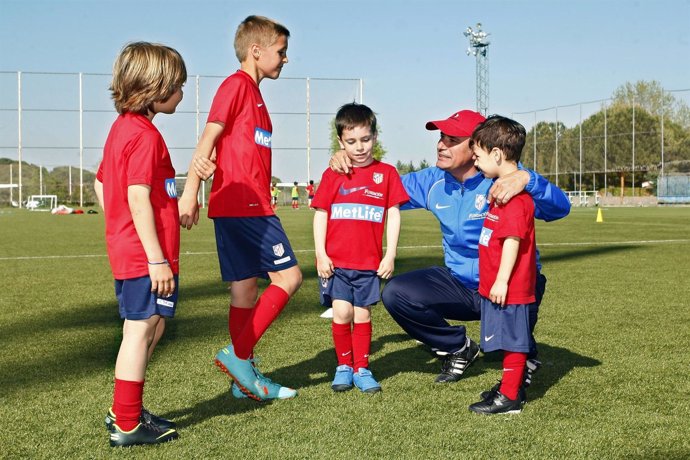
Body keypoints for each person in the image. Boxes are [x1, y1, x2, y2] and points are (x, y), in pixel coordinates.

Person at [330, 109, 570, 386]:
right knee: (397, 293)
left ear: (477, 145)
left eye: (452, 139)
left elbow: (560, 208)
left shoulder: (508, 178)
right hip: (460, 284)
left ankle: (523, 351)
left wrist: (530, 180)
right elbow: (376, 189)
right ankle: (459, 347)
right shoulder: (431, 181)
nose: (441, 144)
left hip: (509, 286)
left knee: (516, 349)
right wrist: (348, 163)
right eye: (442, 137)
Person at [178, 15, 300, 401]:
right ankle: (239, 356)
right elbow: (208, 138)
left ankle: (241, 380)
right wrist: (190, 191)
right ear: (256, 51)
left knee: (245, 290)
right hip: (246, 204)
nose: (285, 59)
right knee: (290, 278)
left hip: (239, 205)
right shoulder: (235, 86)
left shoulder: (257, 96)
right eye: (281, 52)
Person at [94, 42, 184, 447]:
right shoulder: (144, 135)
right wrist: (155, 258)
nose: (182, 92)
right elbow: (135, 196)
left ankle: (127, 406)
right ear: (156, 88)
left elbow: (101, 183)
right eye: (178, 85)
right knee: (140, 327)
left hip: (134, 249)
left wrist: (118, 227)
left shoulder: (123, 129)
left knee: (154, 324)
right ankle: (127, 422)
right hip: (146, 257)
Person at [312, 103, 409, 394]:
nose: (359, 147)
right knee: (342, 313)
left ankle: (362, 368)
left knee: (363, 315)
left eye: (365, 139)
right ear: (341, 142)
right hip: (337, 264)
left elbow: (393, 214)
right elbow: (321, 214)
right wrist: (321, 253)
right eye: (351, 141)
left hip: (368, 263)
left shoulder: (387, 174)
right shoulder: (333, 174)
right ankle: (343, 366)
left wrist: (390, 252)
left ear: (375, 138)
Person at [466, 115, 536, 414]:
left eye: (478, 155)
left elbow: (512, 241)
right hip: (498, 284)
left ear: (496, 154)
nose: (474, 161)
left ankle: (509, 397)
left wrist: (502, 280)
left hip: (511, 287)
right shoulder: (499, 191)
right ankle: (508, 387)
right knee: (506, 339)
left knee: (514, 340)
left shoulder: (515, 199)